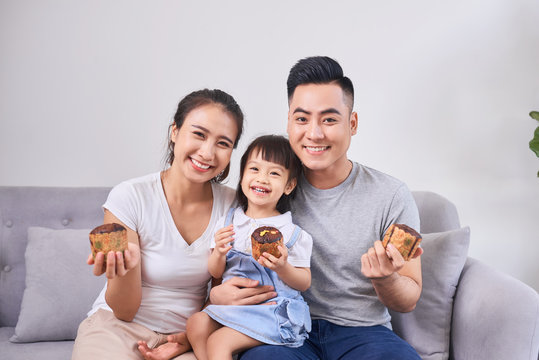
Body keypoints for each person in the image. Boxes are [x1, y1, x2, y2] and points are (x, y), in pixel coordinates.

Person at [211, 56, 424, 360]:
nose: (314, 133)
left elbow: (409, 299)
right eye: (302, 119)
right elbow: (227, 260)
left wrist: (385, 277)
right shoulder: (265, 189)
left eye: (329, 119)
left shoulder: (391, 195)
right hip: (281, 327)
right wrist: (216, 294)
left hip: (364, 333)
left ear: (352, 124)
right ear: (289, 122)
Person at [71, 88, 260, 360]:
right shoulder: (129, 196)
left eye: (223, 143)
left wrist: (190, 338)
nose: (207, 152)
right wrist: (128, 264)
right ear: (175, 132)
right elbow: (123, 311)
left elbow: (219, 293)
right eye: (199, 134)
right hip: (115, 329)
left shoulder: (234, 206)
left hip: (185, 338)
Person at [186, 135, 313, 360]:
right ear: (243, 175)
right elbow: (216, 273)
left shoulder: (292, 234)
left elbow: (304, 281)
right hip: (234, 307)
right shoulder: (228, 223)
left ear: (289, 185)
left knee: (218, 341)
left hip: (272, 311)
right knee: (196, 323)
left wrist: (283, 267)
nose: (262, 178)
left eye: (274, 173)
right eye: (254, 169)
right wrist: (220, 253)